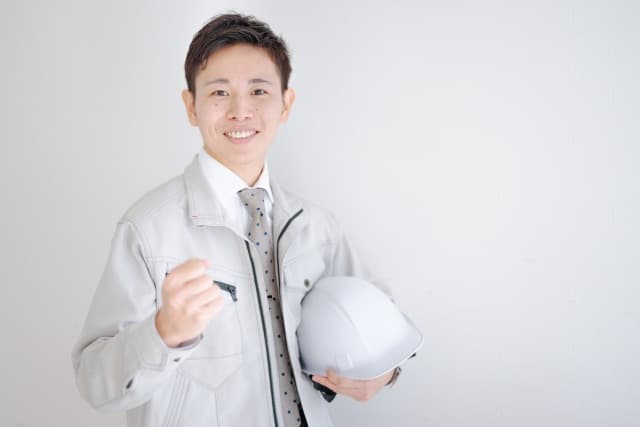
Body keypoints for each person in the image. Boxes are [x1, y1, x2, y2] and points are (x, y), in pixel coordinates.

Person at [72, 13, 398, 427]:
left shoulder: (317, 227)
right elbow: (95, 383)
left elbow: (381, 317)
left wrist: (386, 371)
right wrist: (162, 333)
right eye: (219, 92)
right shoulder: (147, 229)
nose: (240, 111)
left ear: (286, 104)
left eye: (259, 90)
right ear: (191, 106)